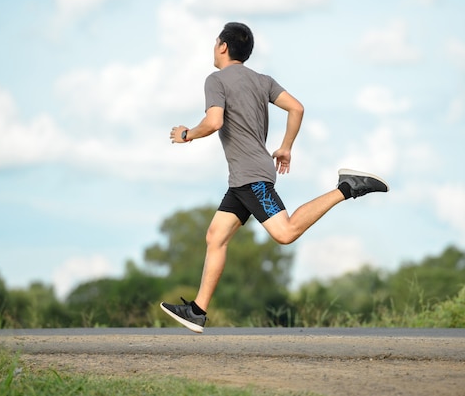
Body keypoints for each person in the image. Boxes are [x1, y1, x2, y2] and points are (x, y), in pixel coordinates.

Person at [160, 22, 388, 333]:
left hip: (251, 176)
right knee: (216, 236)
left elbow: (214, 122)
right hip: (242, 179)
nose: (214, 48)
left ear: (223, 47)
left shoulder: (215, 80)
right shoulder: (262, 80)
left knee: (285, 233)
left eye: (216, 43)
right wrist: (286, 147)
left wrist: (187, 134)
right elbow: (297, 108)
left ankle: (347, 187)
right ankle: (197, 311)